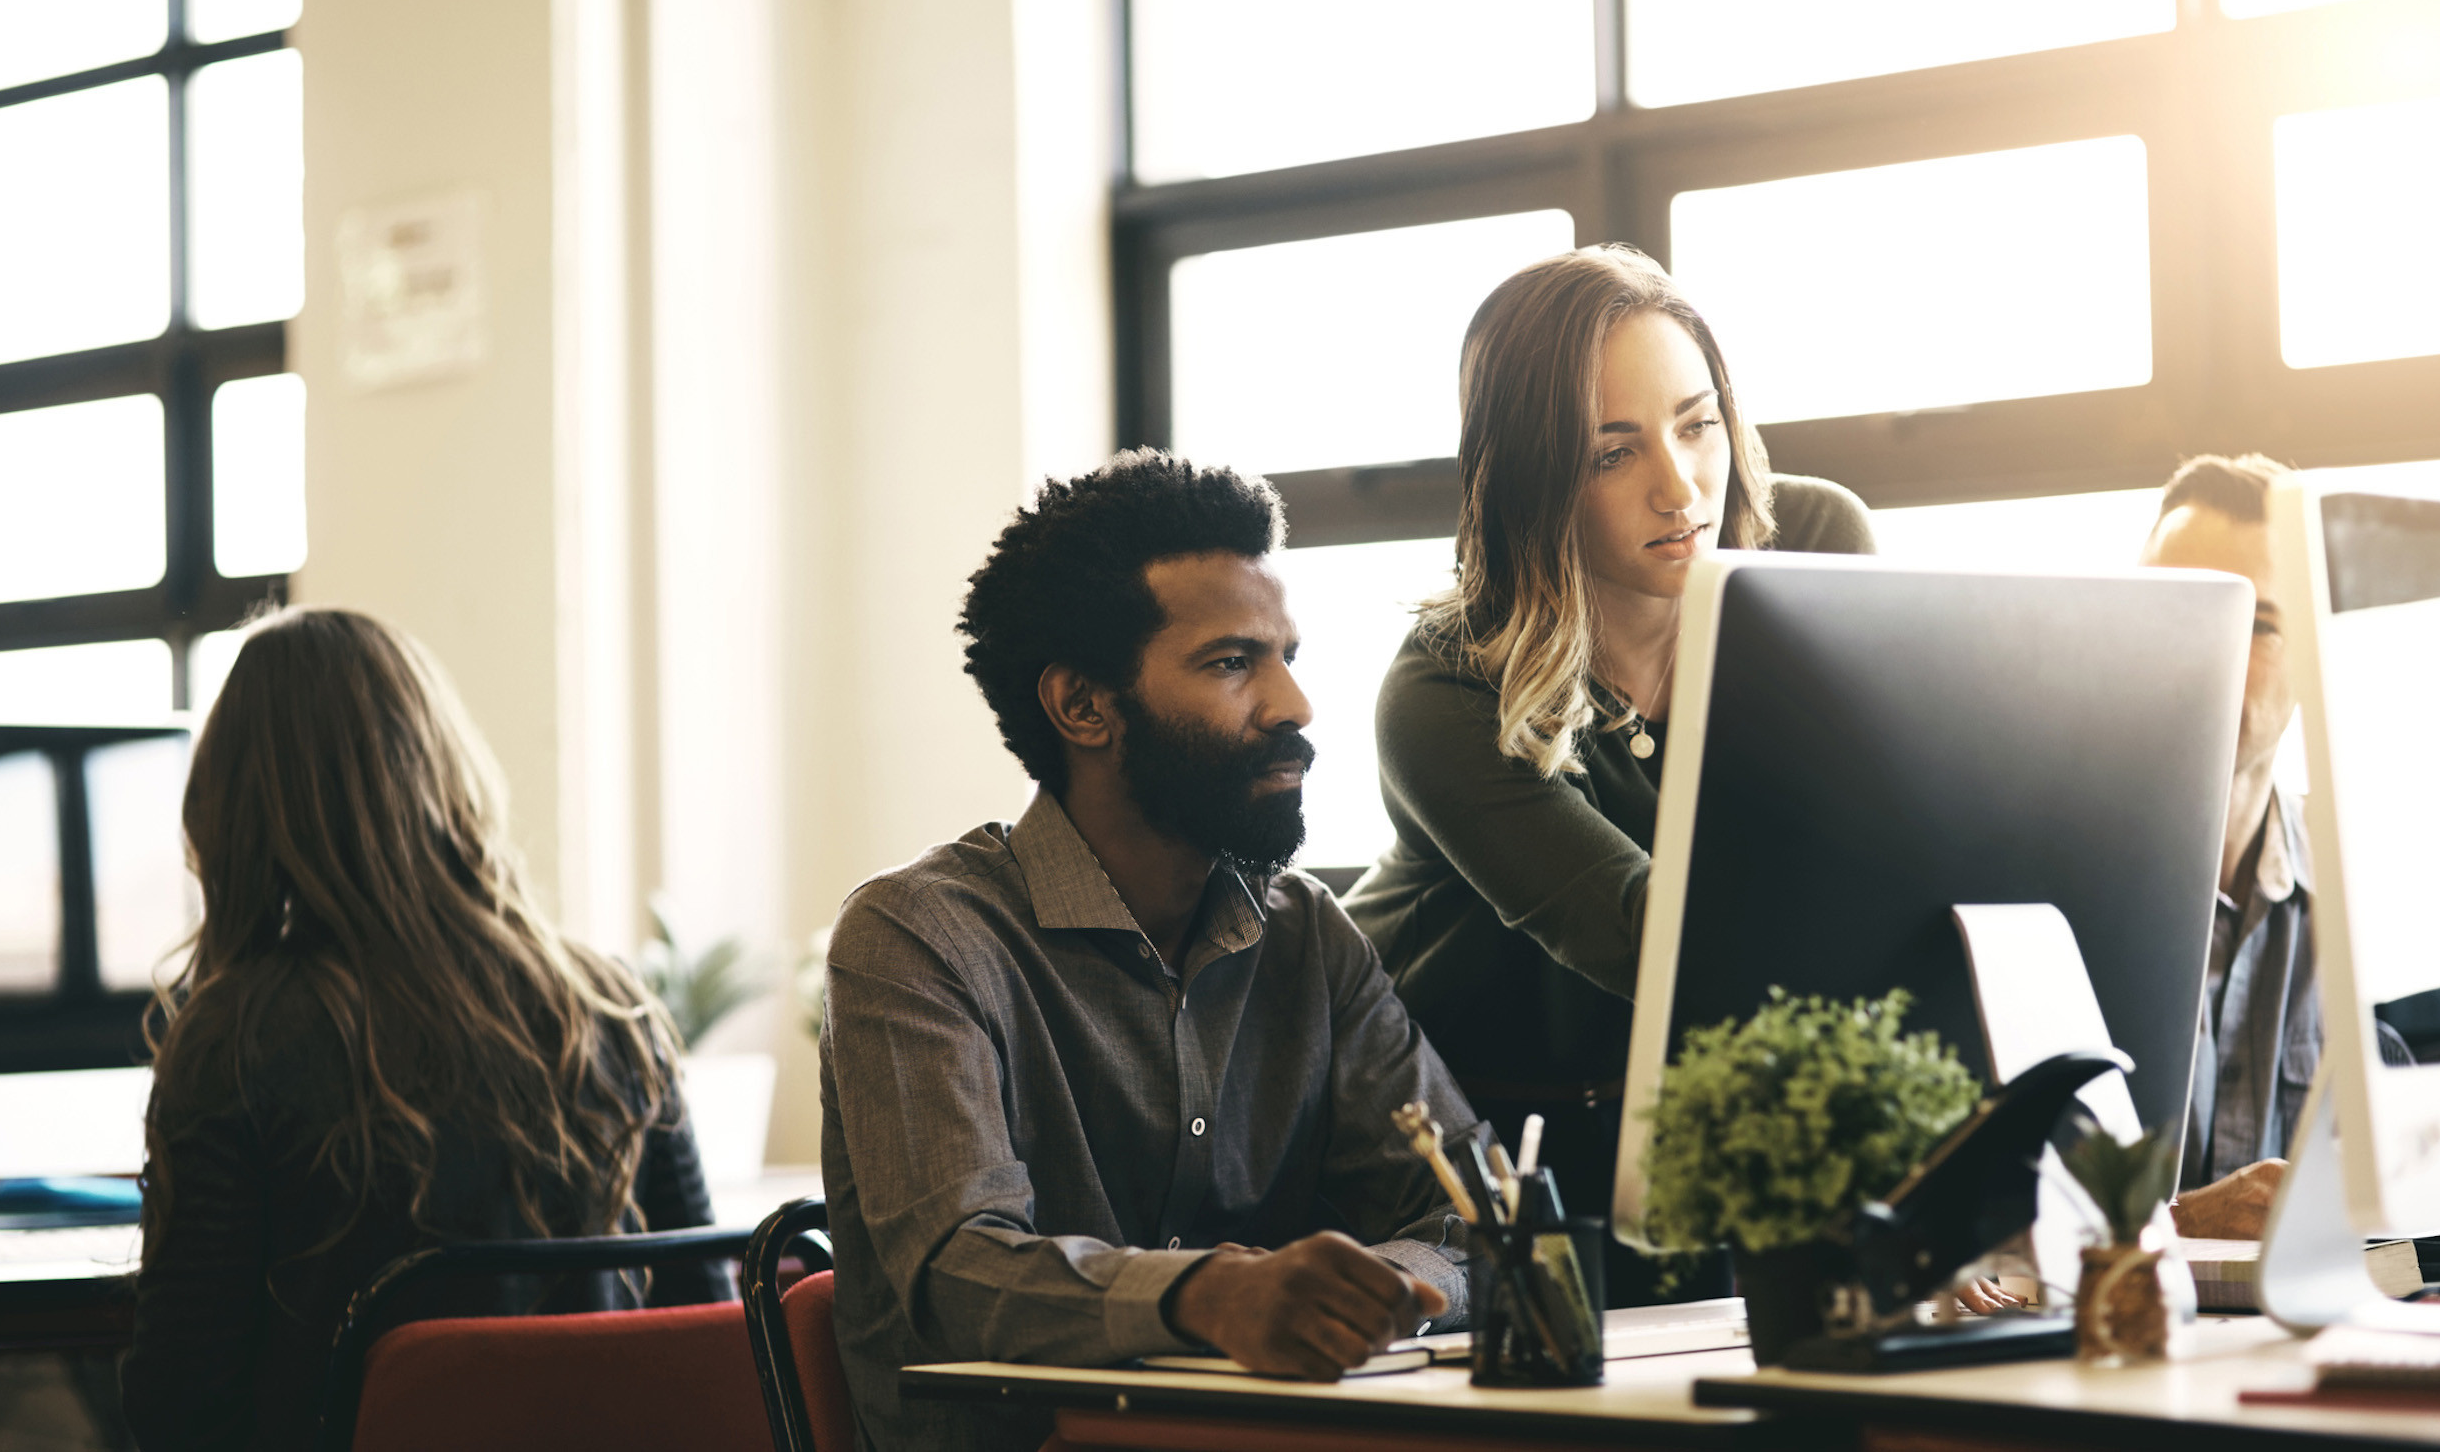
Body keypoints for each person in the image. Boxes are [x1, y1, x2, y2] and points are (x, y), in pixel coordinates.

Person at [820, 452, 1475, 1452]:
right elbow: (959, 1273)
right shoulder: (918, 938)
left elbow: (1476, 1216)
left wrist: (1390, 1284)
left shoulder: (1308, 935)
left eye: (1287, 654)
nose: (1293, 705)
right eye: (1230, 662)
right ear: (1083, 706)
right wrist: (1212, 1295)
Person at [1341, 245, 1874, 1298]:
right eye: (1610, 452)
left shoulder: (1810, 545)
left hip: (1714, 1131)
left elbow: (1879, 836)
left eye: (1695, 422)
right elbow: (1657, 943)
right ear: (1533, 476)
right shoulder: (1446, 687)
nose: (1681, 487)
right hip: (1487, 1172)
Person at [123, 608, 724, 1452]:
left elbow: (180, 1407)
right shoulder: (609, 1006)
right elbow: (712, 1322)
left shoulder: (235, 1040)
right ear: (442, 771)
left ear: (234, 808)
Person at [2137, 455, 2314, 1240]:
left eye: (2261, 624)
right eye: (2180, 606)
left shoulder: (2356, 904)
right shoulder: (2035, 894)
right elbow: (1981, 1251)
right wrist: (2177, 1226)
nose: (2214, 649)